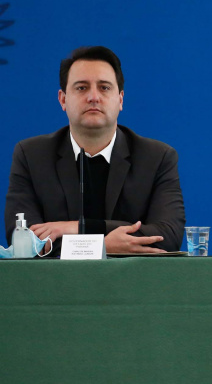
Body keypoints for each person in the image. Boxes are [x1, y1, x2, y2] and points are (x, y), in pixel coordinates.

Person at [4, 46, 185, 255]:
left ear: (120, 99)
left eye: (104, 87)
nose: (93, 97)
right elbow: (25, 243)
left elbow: (168, 236)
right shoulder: (31, 155)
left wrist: (78, 228)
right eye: (81, 88)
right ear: (63, 99)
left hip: (134, 285)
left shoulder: (157, 157)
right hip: (56, 284)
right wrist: (103, 246)